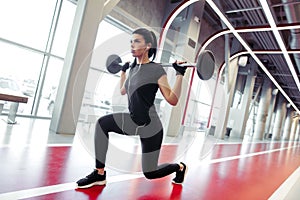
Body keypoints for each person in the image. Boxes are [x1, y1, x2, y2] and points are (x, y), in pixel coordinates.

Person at [76, 28, 188, 188]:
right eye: (131, 41)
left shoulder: (156, 69)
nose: (132, 45)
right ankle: (99, 174)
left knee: (150, 173)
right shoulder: (134, 69)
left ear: (148, 46)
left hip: (151, 126)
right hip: (134, 121)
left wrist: (179, 74)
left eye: (137, 41)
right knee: (103, 124)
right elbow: (123, 90)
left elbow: (172, 99)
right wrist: (123, 72)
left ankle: (180, 167)